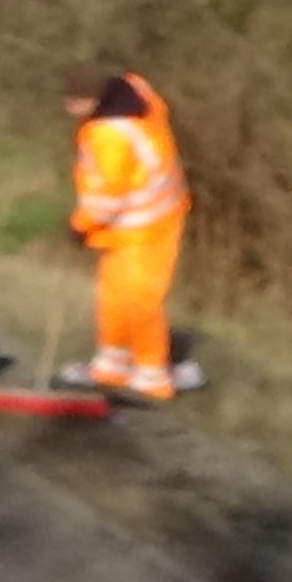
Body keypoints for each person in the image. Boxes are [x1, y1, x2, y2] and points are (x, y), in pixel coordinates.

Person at [58, 61, 198, 402]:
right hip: (131, 225)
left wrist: (79, 226)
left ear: (92, 100)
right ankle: (112, 364)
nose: (67, 108)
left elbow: (107, 197)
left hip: (146, 225)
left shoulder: (110, 136)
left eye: (73, 101)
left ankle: (152, 377)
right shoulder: (135, 92)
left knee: (140, 299)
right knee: (114, 297)